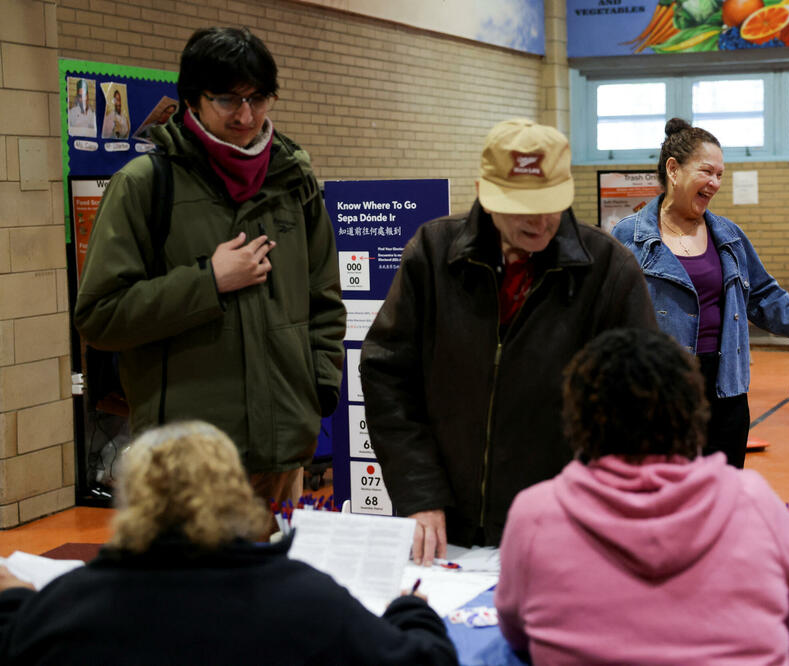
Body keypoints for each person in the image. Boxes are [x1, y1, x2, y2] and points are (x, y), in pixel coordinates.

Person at [360, 118, 657, 562]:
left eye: (549, 203)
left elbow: (642, 405)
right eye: (521, 206)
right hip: (447, 525)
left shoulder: (608, 271)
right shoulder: (433, 253)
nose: (538, 221)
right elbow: (387, 376)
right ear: (483, 191)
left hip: (563, 527)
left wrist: (592, 508)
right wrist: (419, 492)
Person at [74, 27, 346, 505]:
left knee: (273, 581)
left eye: (259, 98)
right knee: (190, 584)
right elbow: (100, 317)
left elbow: (324, 299)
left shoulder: (293, 180)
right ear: (192, 101)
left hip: (283, 452)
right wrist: (209, 282)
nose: (246, 115)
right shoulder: (143, 185)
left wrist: (317, 393)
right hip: (186, 466)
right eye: (227, 99)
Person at [495, 328, 789, 664]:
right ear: (692, 412)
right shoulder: (753, 500)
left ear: (578, 417)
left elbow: (517, 633)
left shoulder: (535, 513)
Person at [0, 422, 458, 665]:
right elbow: (426, 662)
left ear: (133, 503)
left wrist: (17, 597)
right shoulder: (307, 600)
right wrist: (411, 610)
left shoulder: (71, 606)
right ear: (236, 492)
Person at [612, 118, 789, 469]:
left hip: (724, 389)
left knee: (721, 498)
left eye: (720, 175)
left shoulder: (729, 237)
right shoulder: (628, 236)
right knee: (663, 499)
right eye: (707, 171)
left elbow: (766, 299)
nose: (715, 183)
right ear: (673, 169)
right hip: (655, 392)